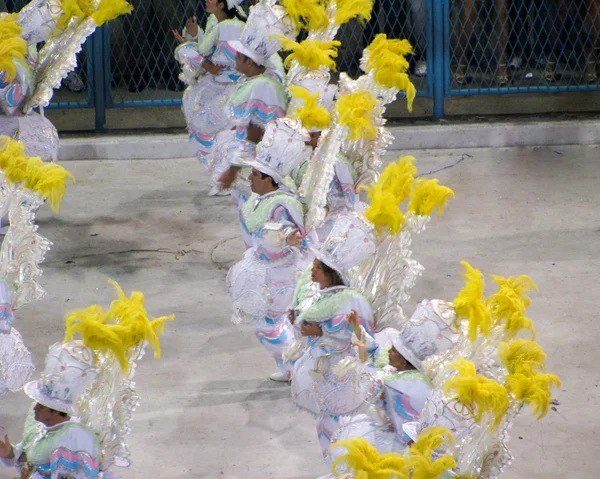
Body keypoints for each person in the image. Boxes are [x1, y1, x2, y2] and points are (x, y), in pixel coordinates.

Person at [284, 214, 377, 457]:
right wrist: (297, 323)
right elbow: (306, 329)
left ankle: (342, 465)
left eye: (318, 267)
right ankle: (333, 465)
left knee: (339, 424)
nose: (312, 271)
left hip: (341, 374)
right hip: (320, 370)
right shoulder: (318, 295)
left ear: (331, 273)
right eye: (314, 265)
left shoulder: (351, 301)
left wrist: (322, 332)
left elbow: (364, 340)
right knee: (325, 423)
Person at [226, 118, 311, 382]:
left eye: (254, 175)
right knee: (277, 323)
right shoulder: (260, 197)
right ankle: (294, 369)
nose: (249, 178)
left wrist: (287, 238)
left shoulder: (282, 204)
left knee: (267, 326)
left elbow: (291, 236)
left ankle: (297, 370)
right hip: (267, 272)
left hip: (280, 274)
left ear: (269, 180)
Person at [215, 0, 293, 192]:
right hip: (259, 165)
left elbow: (255, 133)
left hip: (266, 169)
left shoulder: (262, 87)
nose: (234, 59)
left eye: (238, 56)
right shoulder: (257, 81)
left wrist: (232, 170)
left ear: (248, 62)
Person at [173, 0, 246, 191]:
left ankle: (222, 179)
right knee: (226, 133)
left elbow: (203, 53)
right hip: (229, 88)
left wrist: (189, 46)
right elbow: (209, 52)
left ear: (222, 4)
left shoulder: (226, 26)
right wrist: (194, 40)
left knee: (222, 133)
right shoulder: (223, 22)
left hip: (225, 89)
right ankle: (223, 178)